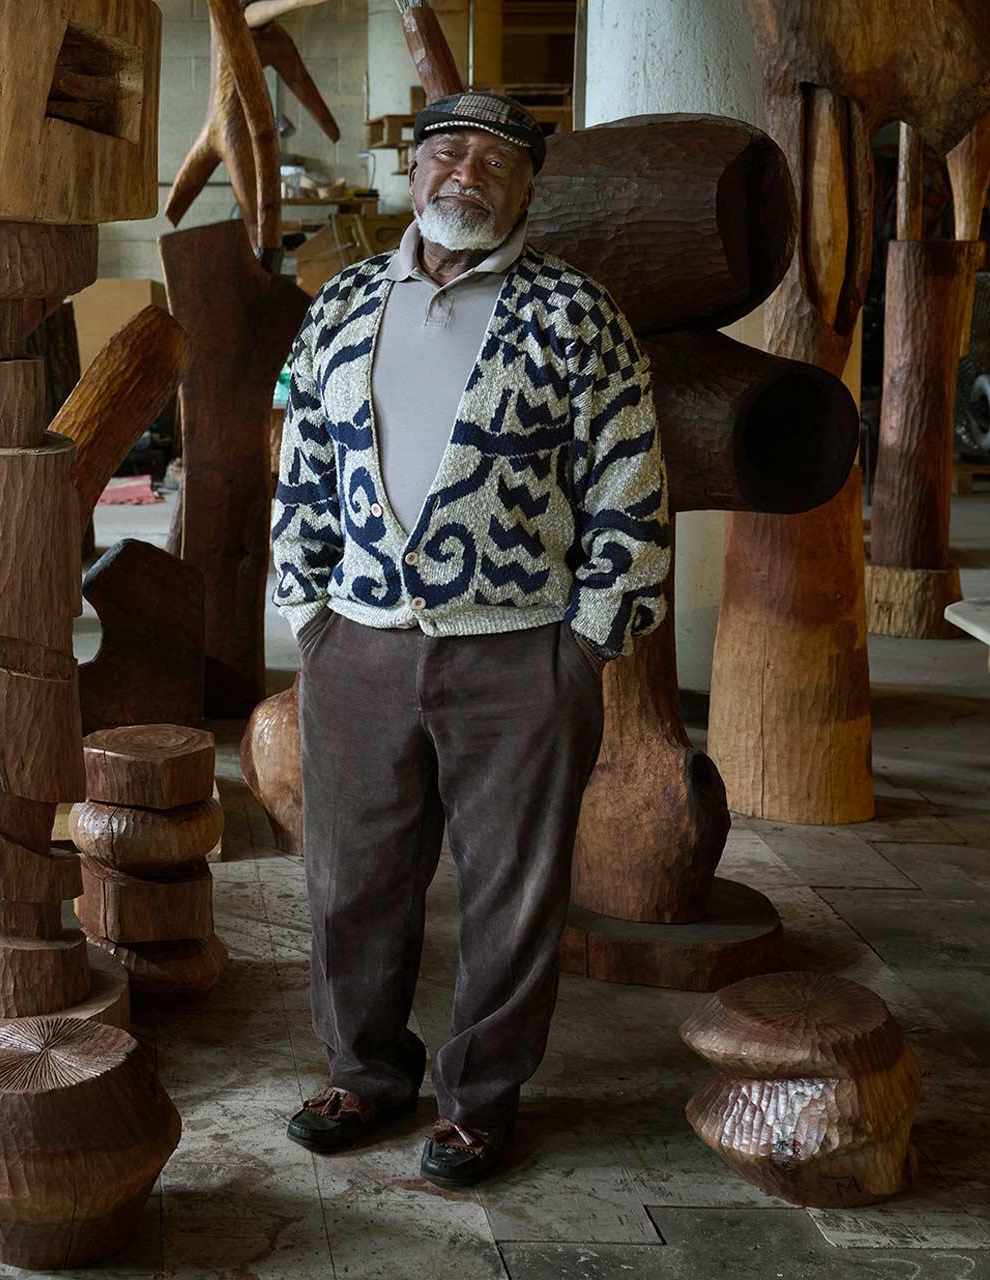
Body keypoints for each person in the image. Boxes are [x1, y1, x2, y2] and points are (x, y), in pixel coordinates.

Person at [269, 91, 671, 1186]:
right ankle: (365, 1071)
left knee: (512, 891)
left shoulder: (577, 313)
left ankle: (481, 1100)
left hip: (522, 651)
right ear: (412, 171)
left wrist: (587, 643)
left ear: (528, 188)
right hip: (357, 644)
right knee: (352, 878)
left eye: (496, 162)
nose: (467, 175)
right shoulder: (344, 301)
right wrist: (307, 611)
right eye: (447, 152)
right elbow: (302, 461)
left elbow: (630, 479)